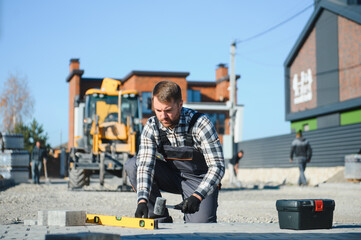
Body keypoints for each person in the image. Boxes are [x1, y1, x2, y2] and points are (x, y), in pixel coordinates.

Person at [125, 81, 225, 223]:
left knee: (201, 228)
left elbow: (218, 166)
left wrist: (197, 196)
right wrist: (142, 200)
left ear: (180, 104)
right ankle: (159, 218)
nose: (163, 117)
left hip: (198, 181)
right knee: (133, 164)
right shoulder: (152, 125)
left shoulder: (201, 124)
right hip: (171, 176)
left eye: (168, 110)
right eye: (158, 111)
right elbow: (145, 166)